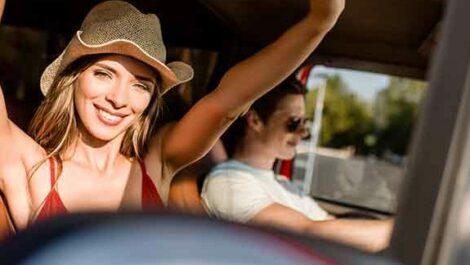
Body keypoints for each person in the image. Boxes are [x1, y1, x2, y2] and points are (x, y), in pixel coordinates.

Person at [0, 0, 344, 230]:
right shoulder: (30, 167)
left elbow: (228, 101)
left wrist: (319, 21)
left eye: (141, 85)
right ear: (73, 80)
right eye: (103, 74)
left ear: (151, 99)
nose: (119, 99)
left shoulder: (157, 161)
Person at [201, 78, 393, 252]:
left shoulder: (284, 184)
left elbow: (329, 224)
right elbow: (308, 234)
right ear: (255, 120)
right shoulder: (228, 183)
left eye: (305, 123)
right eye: (293, 123)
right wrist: (399, 229)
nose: (302, 132)